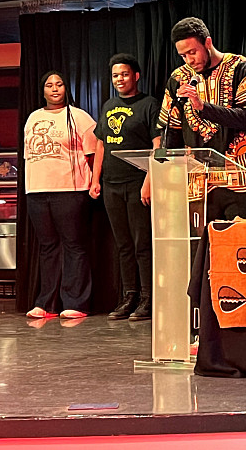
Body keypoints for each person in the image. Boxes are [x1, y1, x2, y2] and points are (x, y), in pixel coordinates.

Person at [158, 17, 246, 221]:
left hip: (242, 179)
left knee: (242, 247)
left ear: (208, 43)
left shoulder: (242, 67)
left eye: (192, 52)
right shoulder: (178, 77)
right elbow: (172, 128)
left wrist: (203, 107)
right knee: (203, 250)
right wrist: (166, 169)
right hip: (199, 182)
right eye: (183, 55)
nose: (189, 60)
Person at [90, 54, 161, 321]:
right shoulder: (109, 105)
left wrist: (150, 179)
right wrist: (95, 179)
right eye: (116, 75)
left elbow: (158, 143)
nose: (120, 79)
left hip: (137, 183)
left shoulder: (149, 104)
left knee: (142, 243)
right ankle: (128, 296)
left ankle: (147, 298)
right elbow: (100, 144)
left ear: (136, 76)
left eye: (125, 74)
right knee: (123, 244)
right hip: (111, 184)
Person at [24, 71, 97, 319]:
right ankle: (47, 303)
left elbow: (94, 153)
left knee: (74, 245)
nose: (54, 89)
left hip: (70, 189)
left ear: (66, 88)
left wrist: (95, 182)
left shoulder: (79, 117)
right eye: (49, 85)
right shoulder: (33, 117)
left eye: (59, 84)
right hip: (37, 190)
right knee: (47, 247)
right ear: (42, 90)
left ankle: (75, 302)